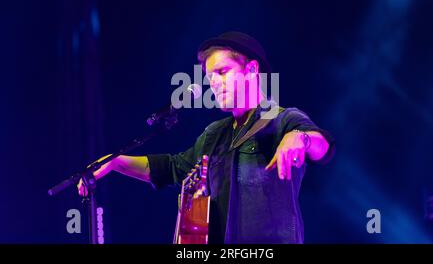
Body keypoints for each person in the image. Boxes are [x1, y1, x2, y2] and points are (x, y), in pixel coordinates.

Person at [78, 31, 335, 244]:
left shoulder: (281, 119)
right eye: (210, 77)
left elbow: (321, 146)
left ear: (251, 70)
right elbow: (172, 167)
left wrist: (300, 139)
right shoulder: (215, 134)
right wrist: (116, 162)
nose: (214, 83)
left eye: (222, 72)